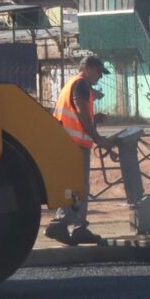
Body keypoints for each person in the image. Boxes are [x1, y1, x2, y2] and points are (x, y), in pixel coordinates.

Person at [49, 52, 109, 245]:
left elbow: (77, 114)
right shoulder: (82, 84)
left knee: (71, 187)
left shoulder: (71, 84)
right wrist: (98, 138)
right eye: (99, 72)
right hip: (75, 145)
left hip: (63, 143)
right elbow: (82, 115)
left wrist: (94, 119)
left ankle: (66, 223)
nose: (100, 76)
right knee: (79, 187)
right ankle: (73, 226)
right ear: (87, 68)